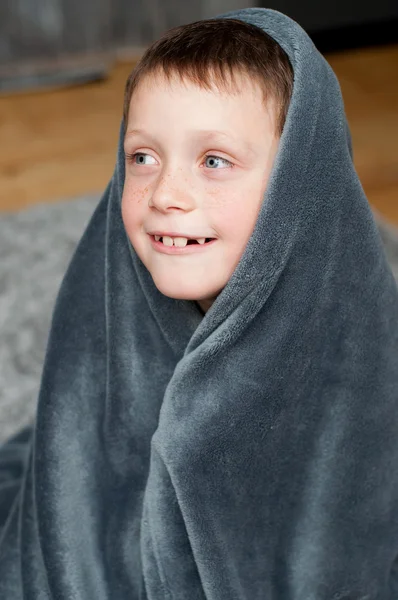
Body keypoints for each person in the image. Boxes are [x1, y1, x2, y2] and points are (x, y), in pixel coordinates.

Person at [1, 7, 398, 599]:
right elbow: (79, 453)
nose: (166, 193)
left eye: (214, 161)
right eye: (143, 157)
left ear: (297, 181)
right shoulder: (105, 299)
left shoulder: (355, 332)